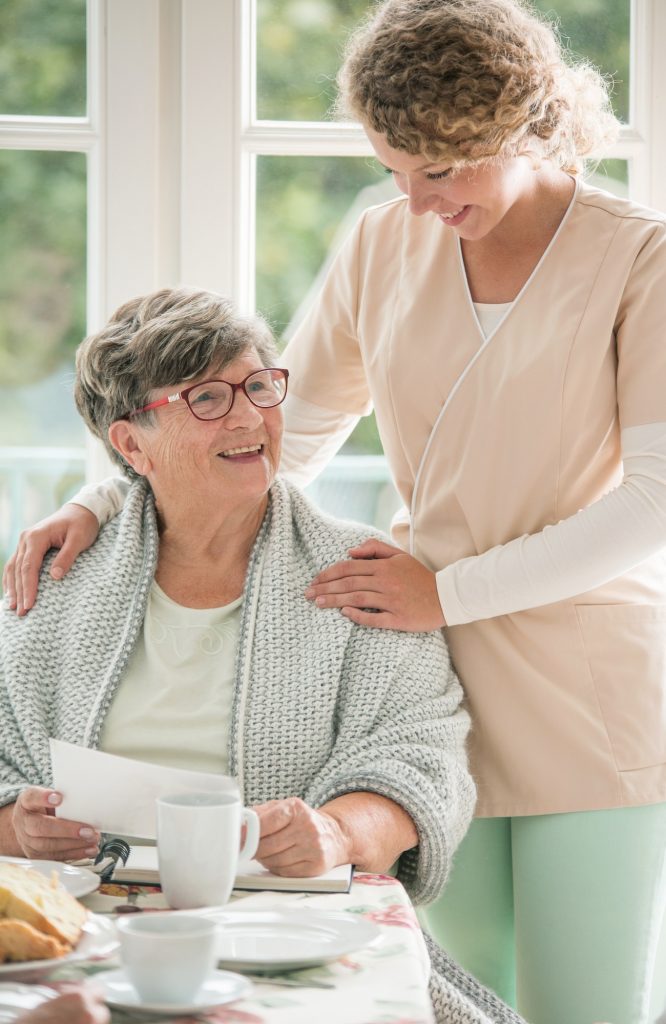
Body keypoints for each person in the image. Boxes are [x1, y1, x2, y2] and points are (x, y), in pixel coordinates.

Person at [4, 2, 666, 1022]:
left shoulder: (640, 259)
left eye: (443, 171)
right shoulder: (381, 236)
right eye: (396, 167)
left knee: (586, 1009)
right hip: (425, 674)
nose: (416, 197)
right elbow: (282, 427)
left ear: (523, 129)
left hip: (581, 680)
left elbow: (652, 503)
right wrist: (110, 492)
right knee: (450, 990)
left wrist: (447, 592)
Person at [0, 287, 529, 1024]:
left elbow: (422, 759)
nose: (250, 416)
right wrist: (15, 826)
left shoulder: (361, 575)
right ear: (131, 444)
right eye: (208, 398)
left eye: (258, 386)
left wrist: (336, 832)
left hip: (288, 931)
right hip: (80, 927)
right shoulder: (56, 580)